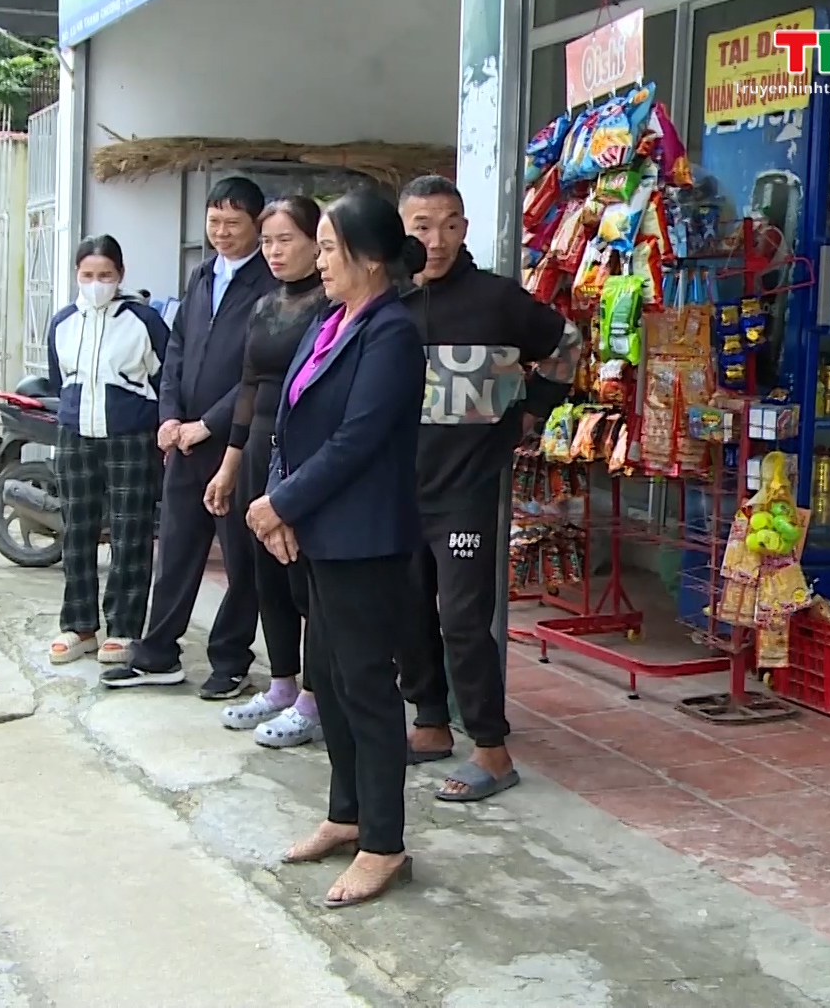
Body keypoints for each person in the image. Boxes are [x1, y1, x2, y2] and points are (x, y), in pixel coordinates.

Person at [245, 186, 425, 908]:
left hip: (363, 536)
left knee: (366, 689)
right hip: (315, 530)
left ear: (370, 256)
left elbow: (358, 439)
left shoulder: (392, 333)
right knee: (327, 676)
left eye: (327, 247)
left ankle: (384, 843)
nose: (317, 261)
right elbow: (288, 419)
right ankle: (345, 815)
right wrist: (277, 503)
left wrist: (281, 502)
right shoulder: (330, 320)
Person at [397, 174, 580, 802]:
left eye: (450, 223)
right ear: (402, 230)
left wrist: (530, 409)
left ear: (466, 229)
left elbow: (567, 345)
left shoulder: (498, 301)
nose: (437, 238)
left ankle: (492, 750)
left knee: (464, 621)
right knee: (409, 613)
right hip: (398, 490)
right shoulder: (387, 301)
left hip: (469, 489)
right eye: (422, 225)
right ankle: (428, 724)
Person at [101, 177, 274, 699]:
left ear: (257, 225)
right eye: (214, 221)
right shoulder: (202, 276)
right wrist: (170, 415)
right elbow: (176, 351)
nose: (221, 233)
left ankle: (230, 658)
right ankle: (158, 652)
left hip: (234, 443)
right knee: (175, 547)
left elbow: (257, 373)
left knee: (239, 558)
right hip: (184, 440)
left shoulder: (268, 286)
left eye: (233, 223)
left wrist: (210, 425)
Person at [203, 196, 326, 748]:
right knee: (262, 573)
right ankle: (281, 683)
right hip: (258, 446)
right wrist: (230, 465)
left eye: (287, 240)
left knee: (307, 578)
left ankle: (316, 698)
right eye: (269, 241)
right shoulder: (266, 303)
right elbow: (249, 386)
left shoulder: (331, 305)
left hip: (304, 447)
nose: (275, 252)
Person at [44, 235, 170, 664]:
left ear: (121, 275)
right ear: (76, 275)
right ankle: (79, 626)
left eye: (106, 275)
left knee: (129, 530)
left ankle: (123, 628)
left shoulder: (143, 321)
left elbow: (165, 377)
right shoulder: (62, 322)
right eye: (88, 275)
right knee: (77, 530)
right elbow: (58, 379)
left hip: (131, 437)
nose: (97, 283)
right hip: (76, 434)